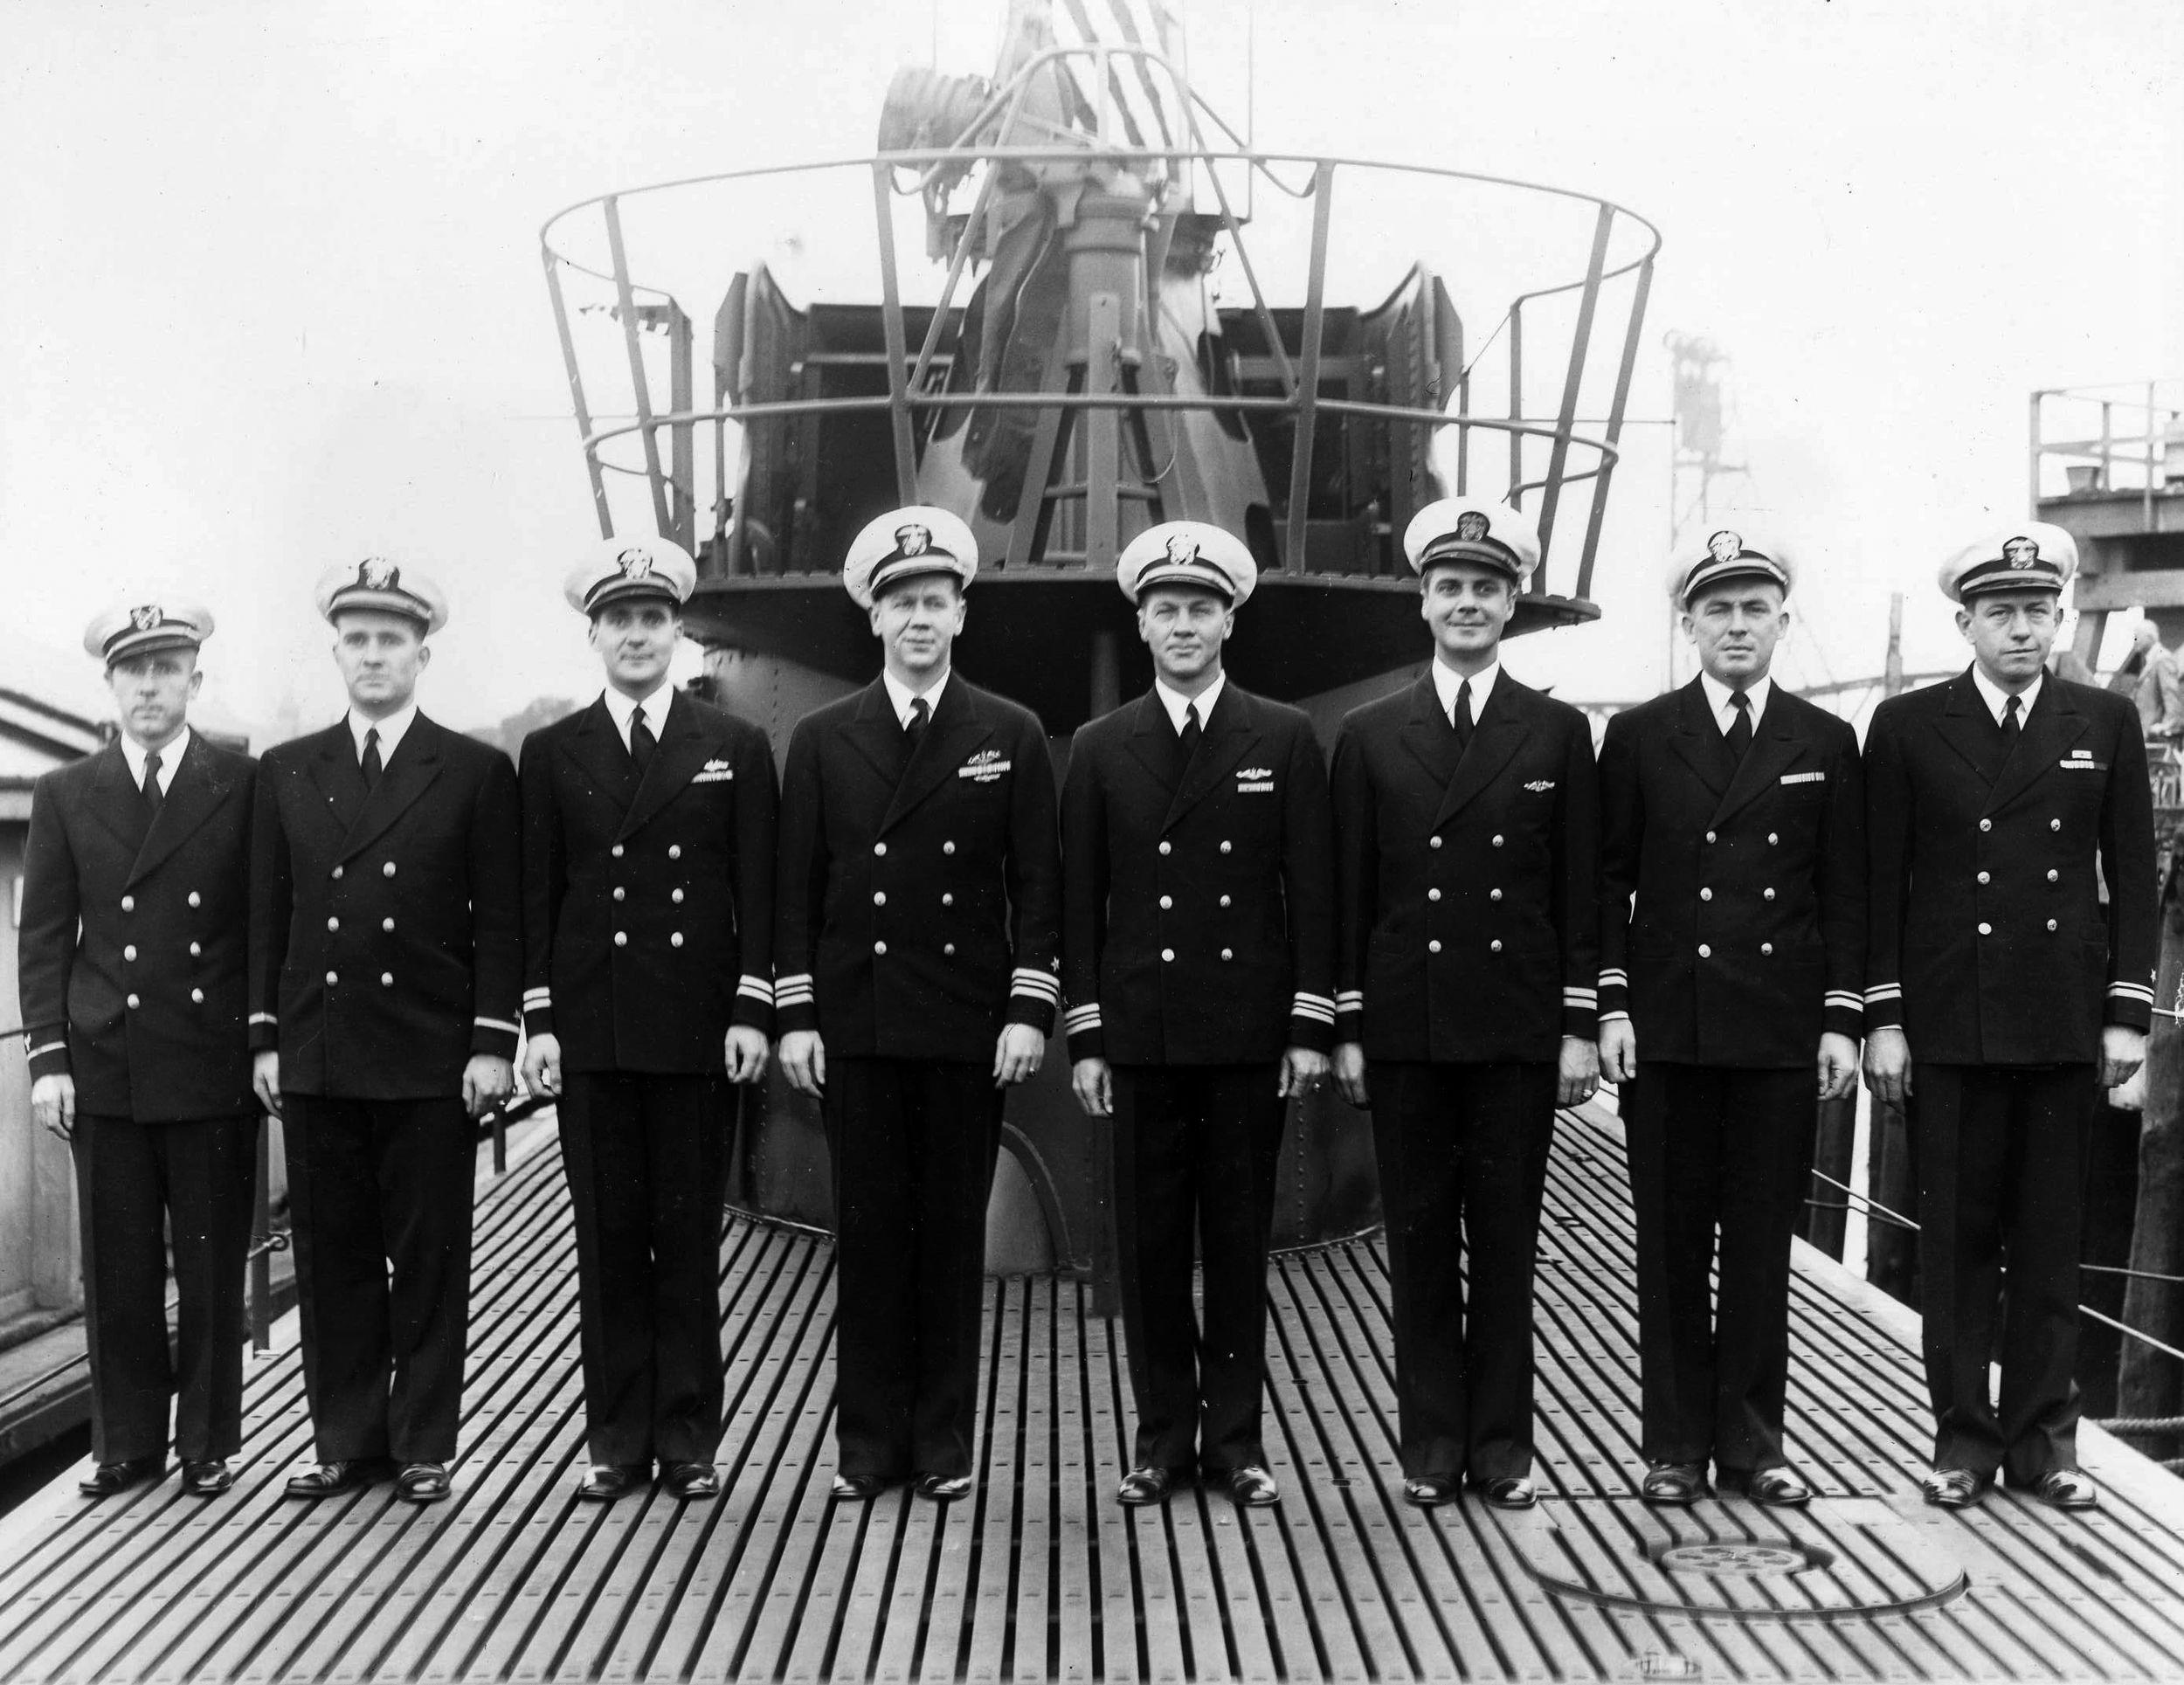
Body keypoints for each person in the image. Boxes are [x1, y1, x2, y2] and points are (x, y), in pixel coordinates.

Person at [1863, 522, 2155, 1511]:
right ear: (1965, 622)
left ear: (2058, 616)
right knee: (1955, 1244)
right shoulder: (1906, 728)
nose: (2021, 628)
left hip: (2060, 1021)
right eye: (2000, 612)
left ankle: (2045, 1444)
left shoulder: (2102, 720)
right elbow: (1880, 886)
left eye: (2037, 610)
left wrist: (2127, 1015)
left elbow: (2135, 878)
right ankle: (1961, 1441)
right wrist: (1886, 1018)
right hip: (1951, 1023)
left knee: (2046, 1242)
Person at [772, 506, 1061, 1502]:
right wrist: (798, 1016)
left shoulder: (1009, 733)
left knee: (947, 1241)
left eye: (935, 601)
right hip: (856, 1024)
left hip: (965, 1028)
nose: (919, 619)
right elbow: (793, 888)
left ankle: (940, 1447)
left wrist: (1029, 1008)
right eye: (901, 603)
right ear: (874, 619)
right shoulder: (821, 739)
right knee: (869, 1234)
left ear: (961, 614)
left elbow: (1039, 884)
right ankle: (865, 1448)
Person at [1330, 497, 1601, 1510]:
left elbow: (1579, 896)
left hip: (1514, 1032)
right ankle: (1430, 1451)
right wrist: (1350, 1028)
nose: (1467, 604)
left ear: (1511, 603)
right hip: (1407, 1031)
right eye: (1450, 587)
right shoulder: (1367, 737)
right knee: (1419, 1242)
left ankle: (1504, 1452)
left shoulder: (1558, 733)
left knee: (1503, 1244)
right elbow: (1349, 896)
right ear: (1424, 603)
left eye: (1486, 589)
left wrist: (1576, 1025)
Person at [1061, 522, 1334, 1509]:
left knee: (1234, 1242)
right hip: (1141, 1036)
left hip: (1246, 1038)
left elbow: (1312, 891)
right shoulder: (1100, 748)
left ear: (1230, 619)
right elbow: (1077, 903)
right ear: (1141, 623)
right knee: (1150, 1247)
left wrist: (1306, 1027)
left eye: (1201, 608)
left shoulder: (1284, 736)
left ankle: (1237, 1442)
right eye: (1166, 609)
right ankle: (1158, 1440)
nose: (1184, 625)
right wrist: (1086, 1034)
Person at [1595, 533, 1864, 1509]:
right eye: (1719, 610)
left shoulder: (1824, 742)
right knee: (1668, 1247)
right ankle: (1672, 1446)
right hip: (1668, 1033)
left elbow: (1845, 897)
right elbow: (1607, 883)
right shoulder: (1637, 736)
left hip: (1777, 1038)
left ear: (1781, 623)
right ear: (1690, 625)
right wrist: (1612, 1004)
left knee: (1759, 1248)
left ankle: (1753, 1445)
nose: (1737, 626)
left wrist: (1840, 1020)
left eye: (1755, 609)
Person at [249, 558, 522, 1505]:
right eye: (358, 641)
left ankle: (423, 1444)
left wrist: (492, 1040)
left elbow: (502, 919)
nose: (373, 656)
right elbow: (267, 915)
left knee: (431, 1254)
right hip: (320, 1051)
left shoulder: (477, 770)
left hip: (428, 1056)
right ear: (337, 652)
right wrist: (265, 1037)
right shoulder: (286, 771)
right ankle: (344, 1440)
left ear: (422, 653)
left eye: (391, 640)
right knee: (332, 1260)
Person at [517, 536, 778, 1503]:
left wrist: (754, 1005)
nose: (637, 635)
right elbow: (535, 898)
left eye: (653, 619)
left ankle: (689, 1440)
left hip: (696, 1033)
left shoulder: (735, 748)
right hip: (594, 1036)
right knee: (608, 1245)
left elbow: (759, 886)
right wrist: (539, 1020)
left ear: (677, 631)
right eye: (619, 620)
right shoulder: (551, 752)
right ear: (594, 634)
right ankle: (615, 1441)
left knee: (685, 1239)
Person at [18, 600, 257, 1499]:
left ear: (194, 681)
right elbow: (42, 938)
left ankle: (206, 1443)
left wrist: (259, 1041)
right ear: (110, 685)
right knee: (116, 1266)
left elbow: (259, 926)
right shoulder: (66, 793)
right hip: (106, 1059)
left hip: (208, 1061)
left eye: (167, 670)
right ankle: (124, 1444)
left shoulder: (241, 783)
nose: (150, 687)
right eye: (134, 671)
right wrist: (47, 1060)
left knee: (207, 1261)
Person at [2108, 618, 2184, 740]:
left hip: (2153, 735)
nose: (2134, 641)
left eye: (2137, 637)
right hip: (2143, 732)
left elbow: (2171, 696)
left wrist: (2167, 727)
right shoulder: (2149, 661)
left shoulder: (2162, 659)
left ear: (2150, 637)